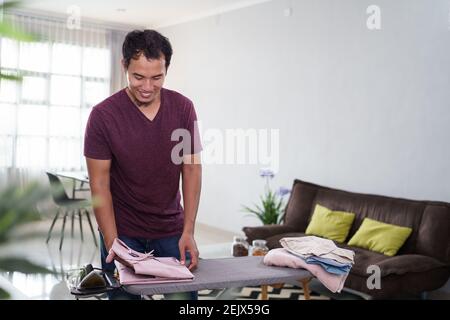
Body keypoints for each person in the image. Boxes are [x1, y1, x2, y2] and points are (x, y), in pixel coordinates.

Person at [84, 29, 202, 300]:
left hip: (172, 230)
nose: (147, 87)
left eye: (156, 77)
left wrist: (189, 231)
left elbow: (192, 168)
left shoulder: (183, 108)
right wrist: (113, 242)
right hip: (122, 232)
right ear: (124, 65)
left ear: (166, 70)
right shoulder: (103, 116)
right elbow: (99, 184)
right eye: (138, 76)